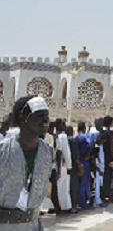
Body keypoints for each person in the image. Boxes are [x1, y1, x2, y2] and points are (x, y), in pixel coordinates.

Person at [0, 96, 53, 230]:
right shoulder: (3, 150)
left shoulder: (47, 152)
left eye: (46, 115)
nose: (46, 119)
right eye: (39, 115)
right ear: (23, 118)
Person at [55, 119, 74, 213]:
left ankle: (52, 206)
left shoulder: (52, 135)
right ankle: (65, 206)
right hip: (62, 165)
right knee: (64, 186)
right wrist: (69, 166)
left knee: (55, 186)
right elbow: (66, 153)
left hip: (53, 164)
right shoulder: (63, 136)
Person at [76, 122, 93, 209]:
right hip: (85, 161)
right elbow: (90, 145)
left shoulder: (76, 137)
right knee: (84, 182)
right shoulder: (86, 137)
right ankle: (83, 202)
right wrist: (88, 155)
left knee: (78, 182)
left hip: (77, 161)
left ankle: (78, 201)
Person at [66, 126, 82, 212]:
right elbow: (76, 156)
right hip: (74, 167)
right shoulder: (73, 140)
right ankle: (73, 206)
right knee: (74, 187)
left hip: (65, 167)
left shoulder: (62, 139)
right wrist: (80, 167)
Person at [92, 133, 108, 208]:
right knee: (96, 186)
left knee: (99, 185)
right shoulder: (95, 147)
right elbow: (94, 160)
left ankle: (98, 199)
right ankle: (97, 201)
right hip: (97, 169)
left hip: (101, 168)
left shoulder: (100, 146)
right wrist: (98, 169)